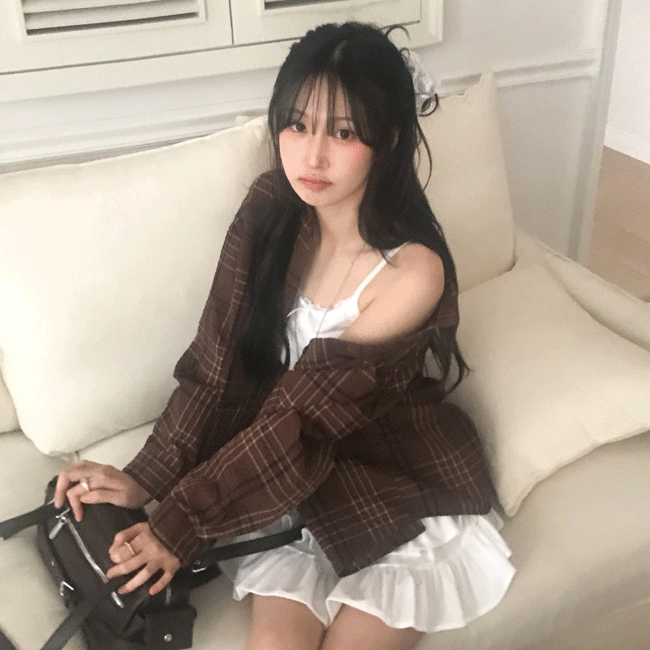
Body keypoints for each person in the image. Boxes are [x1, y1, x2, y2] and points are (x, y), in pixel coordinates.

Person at [55, 22, 515, 650]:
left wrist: (179, 524)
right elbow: (216, 363)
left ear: (388, 140)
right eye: (297, 125)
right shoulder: (271, 206)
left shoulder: (413, 273)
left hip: (385, 480)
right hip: (278, 472)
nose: (312, 156)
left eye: (343, 133)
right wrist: (146, 476)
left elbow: (306, 419)